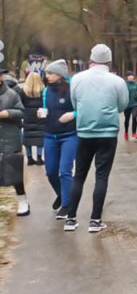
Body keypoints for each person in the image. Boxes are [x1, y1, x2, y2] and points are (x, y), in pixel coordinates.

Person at [63, 44, 128, 233]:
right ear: (109, 60)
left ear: (91, 59)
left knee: (79, 175)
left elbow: (75, 103)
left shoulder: (77, 79)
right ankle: (95, 220)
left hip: (84, 133)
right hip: (107, 134)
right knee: (102, 176)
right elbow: (122, 105)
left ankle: (71, 218)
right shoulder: (117, 81)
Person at [42, 59, 78, 219]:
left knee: (65, 171)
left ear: (59, 74)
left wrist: (73, 114)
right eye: (46, 73)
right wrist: (41, 113)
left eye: (50, 73)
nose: (47, 76)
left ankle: (66, 205)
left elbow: (83, 109)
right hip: (50, 135)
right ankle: (61, 194)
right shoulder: (46, 91)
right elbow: (45, 107)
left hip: (69, 136)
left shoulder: (72, 90)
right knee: (50, 172)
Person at [0, 67, 28, 215]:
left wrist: (8, 113)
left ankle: (23, 201)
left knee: (14, 170)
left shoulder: (11, 94)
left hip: (9, 137)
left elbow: (22, 112)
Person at [18, 71, 46, 166]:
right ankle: (39, 157)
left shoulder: (23, 92)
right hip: (40, 114)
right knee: (40, 136)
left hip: (27, 115)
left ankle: (29, 158)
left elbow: (20, 104)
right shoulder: (43, 91)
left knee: (28, 136)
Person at [124, 72, 137, 140]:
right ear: (127, 77)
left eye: (132, 76)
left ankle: (134, 133)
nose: (131, 77)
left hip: (134, 104)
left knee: (134, 117)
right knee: (127, 119)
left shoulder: (136, 84)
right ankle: (126, 132)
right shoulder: (124, 84)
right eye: (129, 76)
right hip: (127, 105)